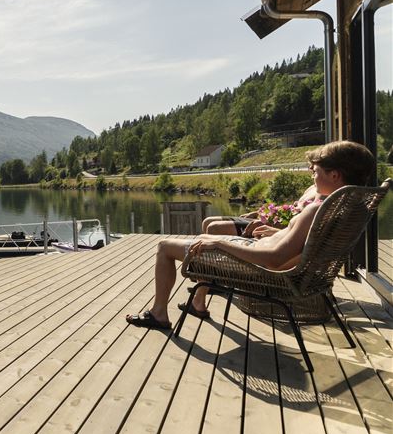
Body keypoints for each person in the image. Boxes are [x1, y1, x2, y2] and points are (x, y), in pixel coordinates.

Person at [126, 141, 375, 329]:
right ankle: (196, 302)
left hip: (260, 269)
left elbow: (275, 259)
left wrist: (220, 242)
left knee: (164, 246)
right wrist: (278, 232)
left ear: (334, 175)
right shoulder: (344, 208)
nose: (312, 175)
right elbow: (293, 247)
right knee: (206, 235)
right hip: (283, 267)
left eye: (316, 171)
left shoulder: (316, 210)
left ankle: (159, 313)